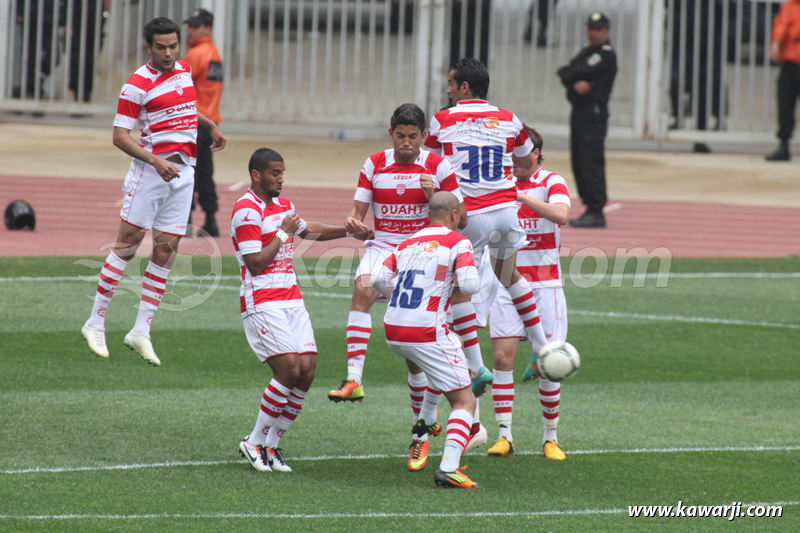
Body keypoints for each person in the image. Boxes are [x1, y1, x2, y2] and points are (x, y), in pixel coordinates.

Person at [80, 17, 226, 366]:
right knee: (128, 245)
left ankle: (141, 330)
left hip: (184, 174)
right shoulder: (136, 85)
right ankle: (95, 321)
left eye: (172, 46)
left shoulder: (184, 71)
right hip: (149, 174)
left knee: (166, 250)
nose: (167, 52)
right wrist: (156, 161)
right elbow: (119, 136)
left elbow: (188, 110)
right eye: (160, 47)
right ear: (149, 47)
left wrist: (211, 125)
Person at [327, 103, 465, 472]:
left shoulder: (438, 166)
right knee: (363, 289)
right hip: (384, 245)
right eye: (400, 136)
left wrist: (430, 193)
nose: (406, 143)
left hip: (425, 250)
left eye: (413, 137)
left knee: (417, 354)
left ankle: (420, 434)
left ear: (423, 137)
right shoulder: (374, 163)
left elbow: (459, 217)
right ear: (391, 134)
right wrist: (354, 222)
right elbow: (357, 212)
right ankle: (354, 379)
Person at [425, 57, 551, 448]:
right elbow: (525, 159)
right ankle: (545, 346)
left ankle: (476, 369)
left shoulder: (443, 119)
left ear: (464, 87)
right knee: (510, 274)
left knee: (456, 289)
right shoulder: (510, 118)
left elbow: (429, 163)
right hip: (506, 210)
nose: (447, 88)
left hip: (472, 214)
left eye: (451, 83)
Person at [233, 148, 364, 473]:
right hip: (262, 301)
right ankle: (253, 441)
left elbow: (308, 231)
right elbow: (255, 262)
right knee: (288, 370)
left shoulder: (284, 206)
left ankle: (273, 446)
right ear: (256, 175)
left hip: (291, 299)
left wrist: (351, 230)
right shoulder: (246, 211)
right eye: (275, 173)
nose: (281, 179)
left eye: (282, 173)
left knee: (307, 372)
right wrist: (281, 232)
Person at [371, 191, 482, 489]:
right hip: (425, 330)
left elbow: (377, 281)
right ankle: (449, 468)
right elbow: (470, 285)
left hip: (394, 328)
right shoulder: (458, 241)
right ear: (455, 214)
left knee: (441, 357)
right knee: (464, 400)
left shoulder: (406, 244)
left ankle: (427, 420)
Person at [485, 126, 571, 461]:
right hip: (507, 281)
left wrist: (520, 197)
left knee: (551, 361)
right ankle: (505, 435)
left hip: (546, 284)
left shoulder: (551, 182)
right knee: (502, 358)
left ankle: (551, 437)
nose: (514, 160)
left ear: (536, 152)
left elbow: (562, 215)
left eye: (520, 153)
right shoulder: (496, 185)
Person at [557, 12, 617, 228]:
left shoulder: (605, 55)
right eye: (591, 28)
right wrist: (575, 82)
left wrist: (576, 78)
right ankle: (589, 205)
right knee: (579, 159)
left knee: (590, 160)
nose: (594, 33)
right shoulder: (587, 52)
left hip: (593, 112)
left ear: (607, 30)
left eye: (599, 29)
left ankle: (596, 208)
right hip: (580, 111)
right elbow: (565, 72)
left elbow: (576, 71)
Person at [183, 8, 224, 235]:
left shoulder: (195, 55)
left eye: (196, 26)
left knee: (186, 170)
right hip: (212, 121)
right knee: (205, 172)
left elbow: (181, 88)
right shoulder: (214, 54)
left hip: (195, 121)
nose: (191, 30)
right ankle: (211, 218)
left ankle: (186, 217)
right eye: (191, 25)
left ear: (207, 28)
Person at [765, 0, 800, 162]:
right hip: (790, 63)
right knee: (785, 105)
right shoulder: (790, 6)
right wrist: (776, 43)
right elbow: (781, 25)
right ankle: (783, 145)